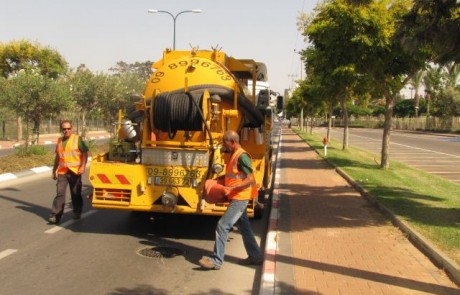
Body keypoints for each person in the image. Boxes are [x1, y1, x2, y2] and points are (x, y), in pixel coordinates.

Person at [199, 130, 263, 270]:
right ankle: (256, 256)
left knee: (222, 225)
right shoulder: (234, 155)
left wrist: (232, 189)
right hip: (237, 196)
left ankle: (216, 260)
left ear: (233, 142)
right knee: (244, 228)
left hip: (240, 198)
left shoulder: (242, 156)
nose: (224, 145)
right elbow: (233, 176)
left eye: (225, 142)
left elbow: (251, 179)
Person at [48, 120, 88, 224]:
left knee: (75, 193)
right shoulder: (60, 140)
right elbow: (58, 156)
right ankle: (55, 215)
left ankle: (77, 211)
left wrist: (83, 166)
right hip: (62, 172)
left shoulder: (77, 139)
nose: (66, 131)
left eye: (68, 128)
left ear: (72, 128)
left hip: (75, 171)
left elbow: (84, 153)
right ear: (61, 130)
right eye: (64, 129)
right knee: (60, 193)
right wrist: (54, 170)